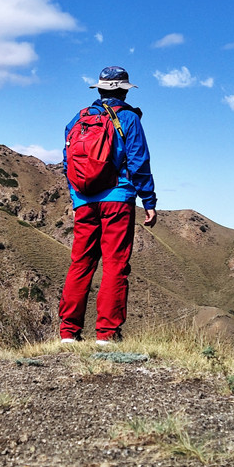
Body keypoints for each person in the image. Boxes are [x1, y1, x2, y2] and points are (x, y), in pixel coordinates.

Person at [59, 66, 157, 345]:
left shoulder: (76, 121)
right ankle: (106, 334)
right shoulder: (128, 118)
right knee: (115, 264)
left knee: (80, 263)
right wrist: (148, 201)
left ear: (99, 89)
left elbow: (67, 164)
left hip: (84, 201)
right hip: (117, 200)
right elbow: (139, 163)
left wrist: (77, 195)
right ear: (125, 89)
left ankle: (68, 333)